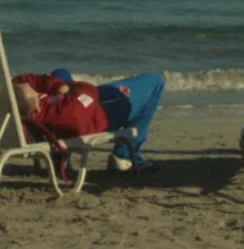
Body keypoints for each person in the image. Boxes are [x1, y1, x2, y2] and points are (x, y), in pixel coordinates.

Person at [12, 69, 164, 173]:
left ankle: (59, 159)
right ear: (36, 108)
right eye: (32, 91)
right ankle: (125, 156)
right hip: (101, 110)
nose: (29, 86)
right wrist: (70, 87)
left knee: (60, 73)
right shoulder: (63, 113)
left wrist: (58, 86)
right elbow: (89, 92)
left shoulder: (17, 104)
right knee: (154, 82)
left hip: (77, 106)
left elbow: (23, 80)